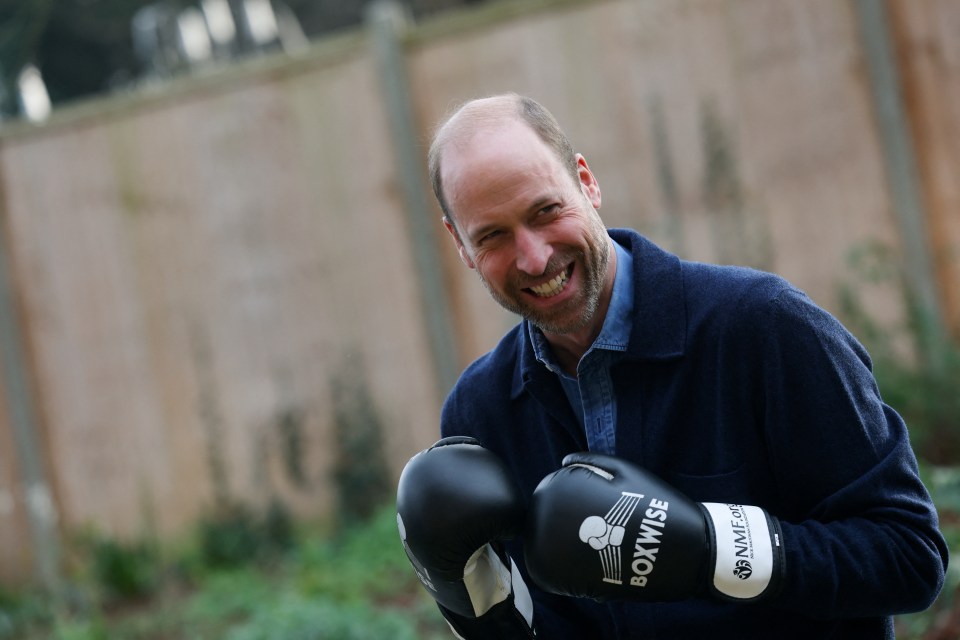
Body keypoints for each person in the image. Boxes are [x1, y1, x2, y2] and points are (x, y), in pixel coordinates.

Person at [395, 93, 949, 639]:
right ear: (460, 245)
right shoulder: (480, 411)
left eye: (546, 210)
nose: (535, 257)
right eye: (492, 236)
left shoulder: (764, 328)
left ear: (586, 182)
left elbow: (908, 556)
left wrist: (713, 548)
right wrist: (475, 607)